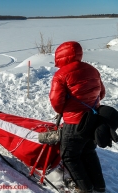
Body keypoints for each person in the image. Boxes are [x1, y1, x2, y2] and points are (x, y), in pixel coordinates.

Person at [49, 41, 106, 193]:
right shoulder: (92, 70)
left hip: (74, 123)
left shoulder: (61, 74)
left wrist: (67, 109)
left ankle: (85, 188)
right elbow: (102, 94)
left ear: (60, 56)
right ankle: (100, 186)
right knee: (88, 151)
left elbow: (56, 103)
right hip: (92, 119)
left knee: (69, 156)